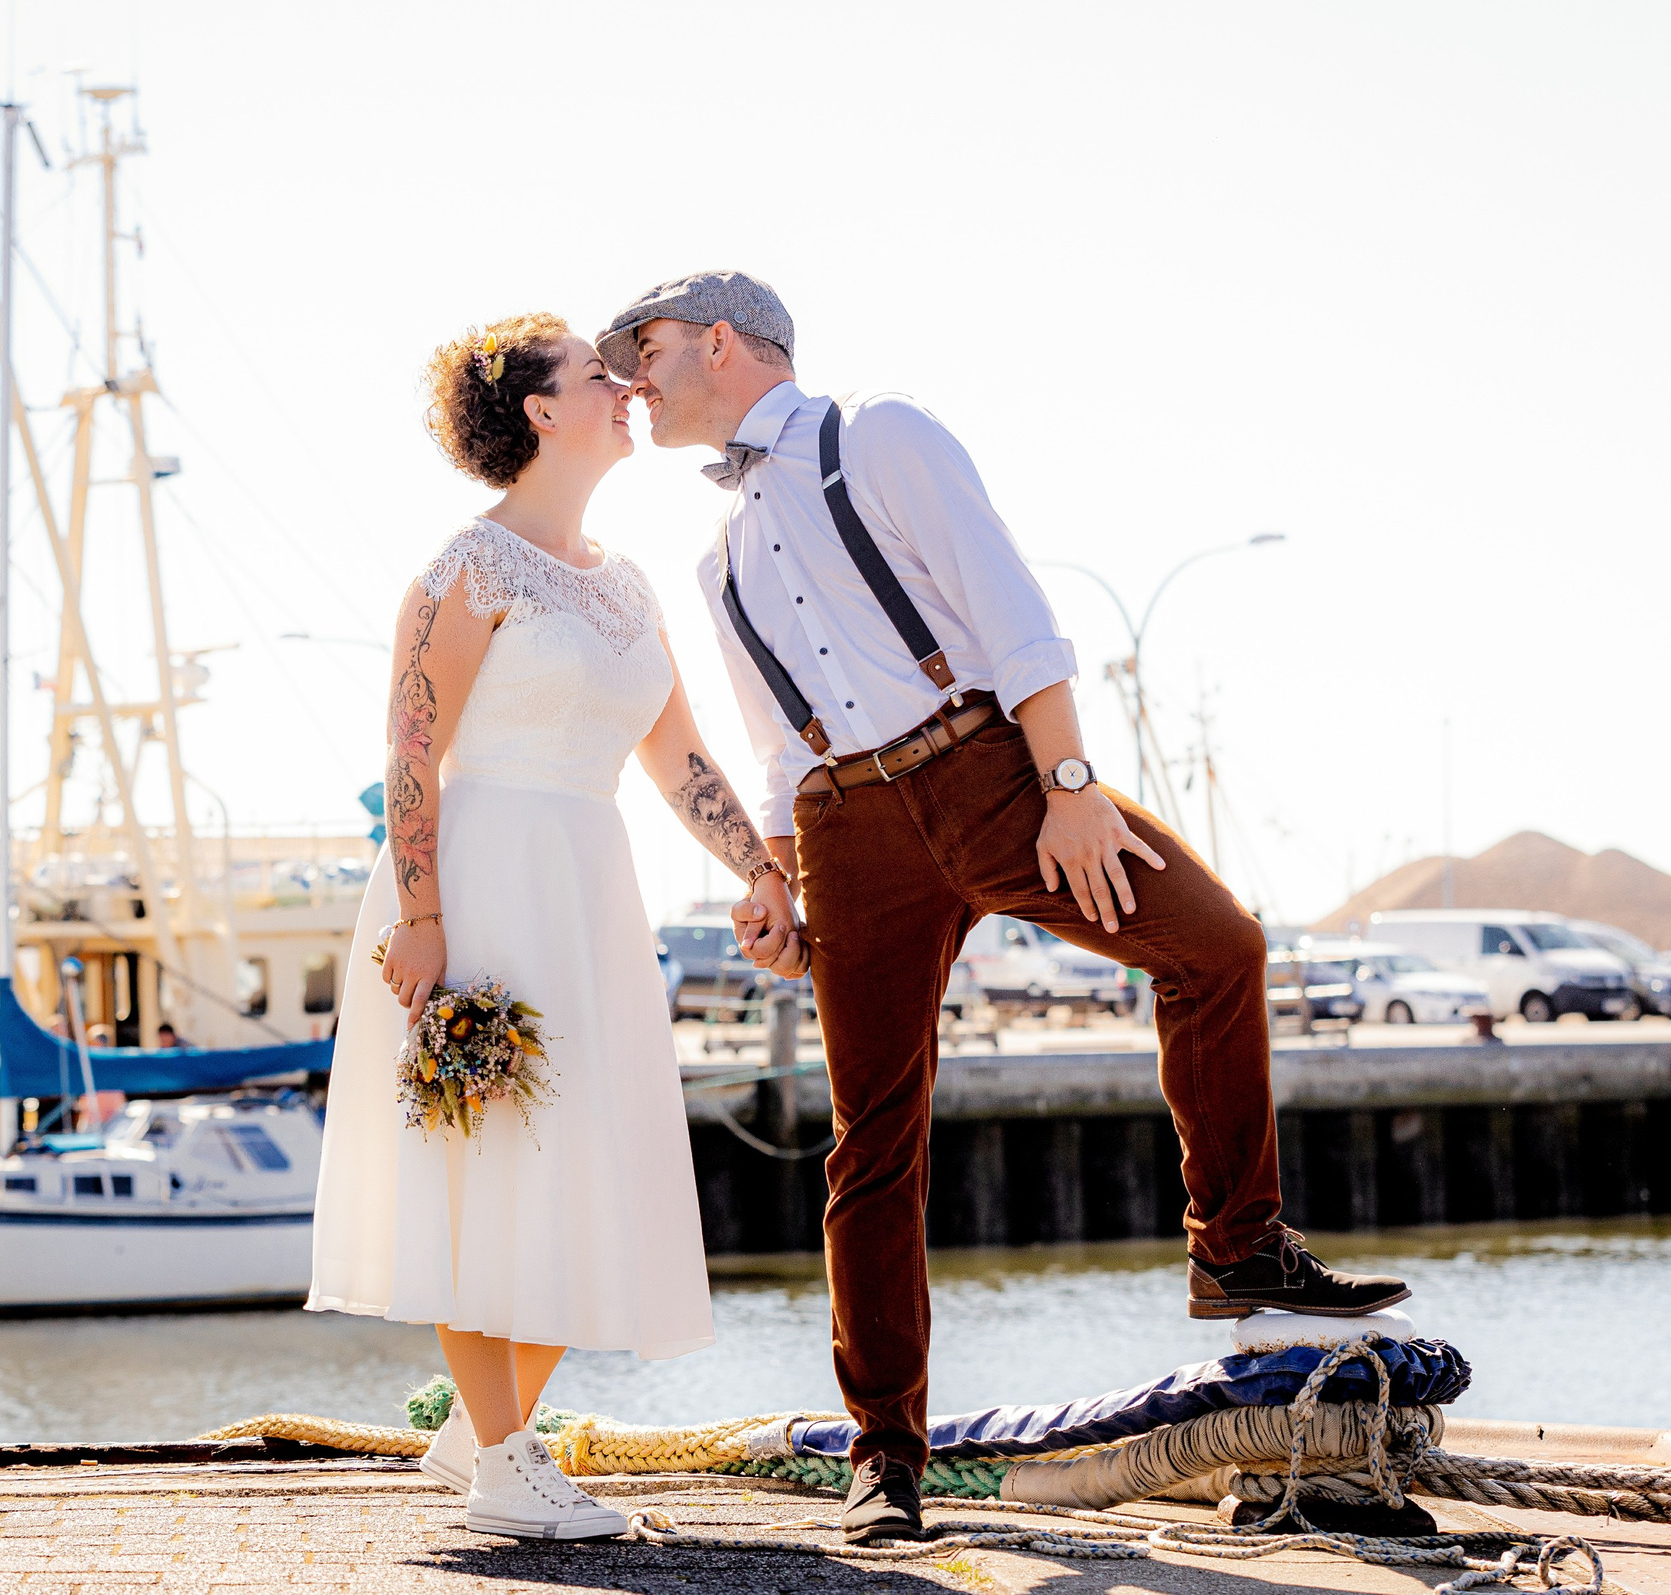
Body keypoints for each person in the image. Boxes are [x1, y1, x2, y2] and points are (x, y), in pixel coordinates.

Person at [596, 272, 1410, 1545]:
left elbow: (1012, 614)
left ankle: (1236, 1244)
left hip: (993, 774)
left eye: (641, 350)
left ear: (720, 339)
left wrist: (1069, 784)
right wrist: (774, 876)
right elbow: (772, 741)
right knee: (872, 1143)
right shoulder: (716, 554)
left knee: (1216, 946)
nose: (632, 382)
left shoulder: (878, 433)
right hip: (848, 827)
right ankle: (886, 1456)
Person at [308, 313, 800, 1542]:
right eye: (597, 374)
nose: (626, 385)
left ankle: (475, 1436)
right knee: (486, 1155)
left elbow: (676, 749)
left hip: (587, 882)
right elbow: (410, 754)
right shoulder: (463, 569)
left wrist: (762, 868)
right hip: (479, 881)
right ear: (538, 410)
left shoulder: (624, 583)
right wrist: (421, 917)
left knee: (583, 1162)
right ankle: (506, 1457)